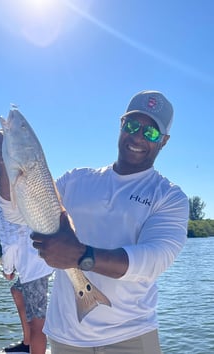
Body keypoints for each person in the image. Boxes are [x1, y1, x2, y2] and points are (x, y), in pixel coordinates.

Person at [31, 90, 189, 354]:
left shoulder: (169, 196)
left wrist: (82, 256)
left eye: (151, 133)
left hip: (132, 336)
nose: (138, 136)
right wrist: (4, 165)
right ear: (121, 125)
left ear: (164, 141)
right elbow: (22, 212)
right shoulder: (75, 179)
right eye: (132, 125)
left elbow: (153, 259)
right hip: (66, 337)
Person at [0, 129, 53, 354]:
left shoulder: (5, 198)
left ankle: (34, 347)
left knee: (38, 323)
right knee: (17, 291)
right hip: (32, 262)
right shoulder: (16, 196)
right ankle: (26, 344)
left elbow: (9, 240)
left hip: (35, 265)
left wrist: (7, 268)